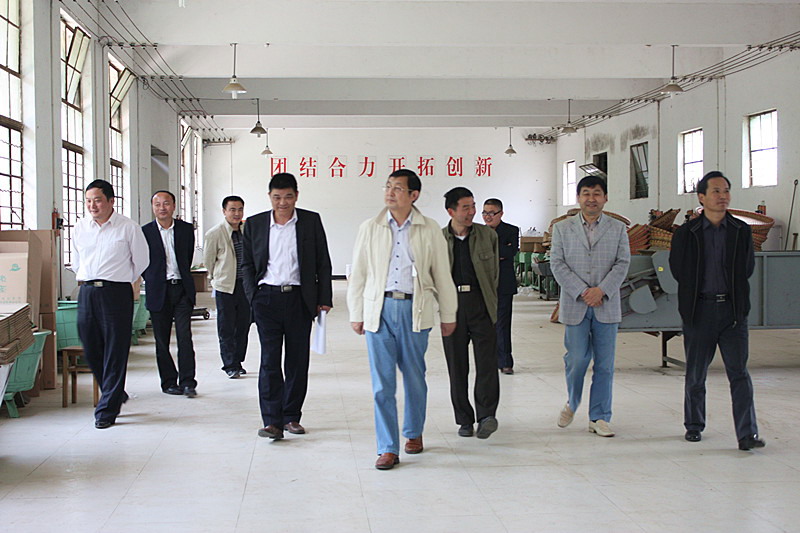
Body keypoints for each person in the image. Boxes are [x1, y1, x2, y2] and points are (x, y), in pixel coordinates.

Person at [347, 169, 457, 470]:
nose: (390, 192)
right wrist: (357, 313)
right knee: (382, 384)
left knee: (414, 377)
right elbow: (359, 273)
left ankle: (413, 431)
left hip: (414, 310)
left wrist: (448, 314)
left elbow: (442, 274)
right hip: (379, 310)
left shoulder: (429, 228)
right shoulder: (370, 227)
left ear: (413, 195)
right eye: (388, 187)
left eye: (397, 188)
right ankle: (387, 447)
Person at [669, 171, 765, 451]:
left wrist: (737, 306)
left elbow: (747, 268)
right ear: (702, 197)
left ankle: (747, 434)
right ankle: (694, 425)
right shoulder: (687, 233)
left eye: (726, 191)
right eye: (716, 191)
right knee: (696, 373)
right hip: (699, 310)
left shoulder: (740, 230)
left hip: (732, 312)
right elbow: (678, 269)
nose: (722, 196)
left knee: (739, 373)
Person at [242, 173, 333, 440]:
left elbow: (323, 262)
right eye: (277, 197)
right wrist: (253, 296)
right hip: (266, 299)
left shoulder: (310, 221)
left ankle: (291, 416)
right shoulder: (256, 224)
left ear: (296, 196)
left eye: (288, 197)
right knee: (269, 360)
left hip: (299, 299)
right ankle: (272, 421)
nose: (283, 203)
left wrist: (324, 299)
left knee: (297, 360)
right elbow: (247, 264)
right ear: (269, 197)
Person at [550, 176, 630, 437]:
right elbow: (557, 263)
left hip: (606, 304)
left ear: (605, 198)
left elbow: (622, 263)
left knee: (605, 365)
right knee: (577, 359)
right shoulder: (562, 228)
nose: (591, 199)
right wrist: (583, 291)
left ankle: (599, 417)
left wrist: (601, 290)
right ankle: (573, 402)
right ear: (578, 198)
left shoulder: (618, 228)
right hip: (576, 303)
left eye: (596, 193)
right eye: (586, 193)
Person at [72, 179, 149, 429]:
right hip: (87, 292)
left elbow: (141, 261)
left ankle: (107, 409)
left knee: (115, 349)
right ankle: (114, 391)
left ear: (111, 201)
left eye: (97, 200)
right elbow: (77, 260)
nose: (92, 205)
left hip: (115, 293)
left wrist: (119, 280)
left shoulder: (128, 227)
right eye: (88, 201)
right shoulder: (80, 227)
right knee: (91, 346)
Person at [442, 187, 500, 439]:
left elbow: (494, 274)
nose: (472, 212)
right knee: (457, 366)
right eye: (465, 207)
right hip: (452, 307)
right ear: (451, 211)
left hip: (480, 303)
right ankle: (464, 420)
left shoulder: (488, 235)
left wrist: (491, 304)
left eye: (473, 206)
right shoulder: (439, 239)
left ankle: (486, 416)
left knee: (487, 363)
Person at [141, 191, 198, 397]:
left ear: (174, 206)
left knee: (184, 337)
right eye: (157, 204)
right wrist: (152, 279)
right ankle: (168, 382)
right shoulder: (145, 232)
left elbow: (187, 257)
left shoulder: (185, 229)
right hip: (159, 290)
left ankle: (188, 382)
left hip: (181, 289)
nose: (162, 208)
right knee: (161, 340)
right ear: (153, 207)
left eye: (166, 203)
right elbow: (142, 261)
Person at [205, 195, 251, 379]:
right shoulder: (215, 233)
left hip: (245, 286)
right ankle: (230, 364)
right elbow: (209, 262)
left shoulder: (247, 230)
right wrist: (216, 279)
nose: (236, 213)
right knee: (226, 327)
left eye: (240, 209)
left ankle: (238, 361)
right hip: (225, 287)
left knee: (243, 325)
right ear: (224, 211)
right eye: (232, 209)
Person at [482, 198, 520, 374]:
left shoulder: (511, 230)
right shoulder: (478, 232)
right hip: (483, 284)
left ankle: (505, 362)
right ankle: (489, 360)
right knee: (485, 325)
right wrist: (498, 253)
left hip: (504, 284)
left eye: (492, 213)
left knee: (503, 323)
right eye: (485, 213)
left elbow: (510, 252)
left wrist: (489, 253)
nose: (487, 216)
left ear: (501, 213)